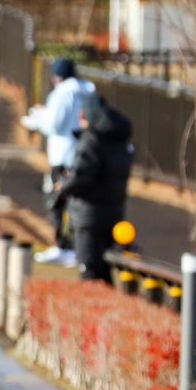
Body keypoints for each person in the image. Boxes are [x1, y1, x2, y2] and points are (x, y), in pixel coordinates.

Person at [22, 57, 95, 266]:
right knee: (73, 200)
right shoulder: (86, 91)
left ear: (58, 76)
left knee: (56, 200)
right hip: (78, 154)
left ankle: (63, 246)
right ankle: (71, 246)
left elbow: (55, 124)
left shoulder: (63, 93)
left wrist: (37, 120)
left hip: (62, 154)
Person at [51, 95, 133, 282]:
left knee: (89, 272)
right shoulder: (119, 140)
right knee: (104, 273)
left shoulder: (91, 141)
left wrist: (62, 186)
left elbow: (80, 179)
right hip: (113, 215)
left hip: (88, 219)